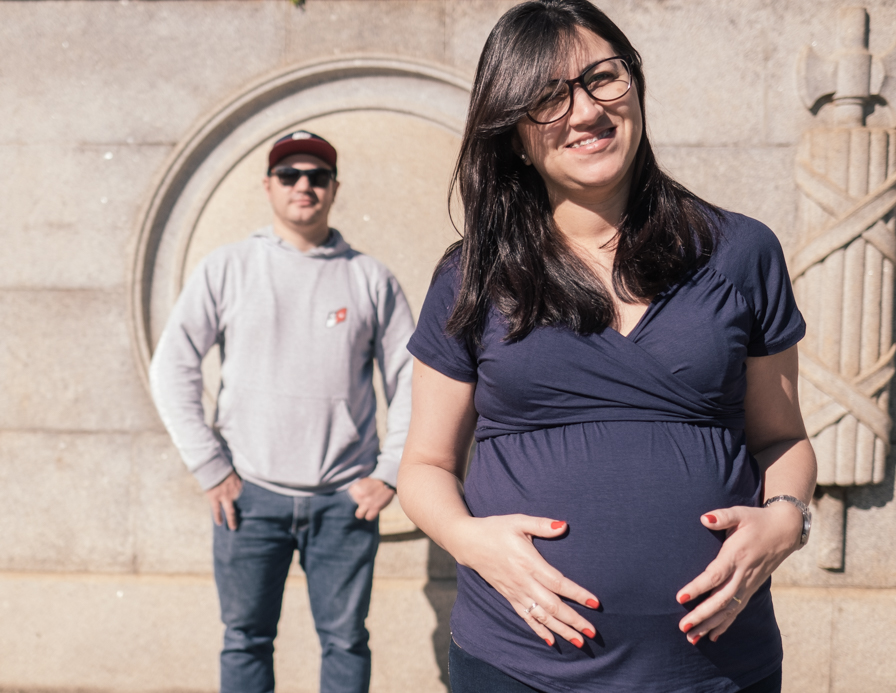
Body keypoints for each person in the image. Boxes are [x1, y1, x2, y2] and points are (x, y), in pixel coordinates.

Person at [397, 2, 816, 692]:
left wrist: (786, 521)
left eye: (604, 79)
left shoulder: (742, 252)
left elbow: (782, 440)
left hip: (713, 669)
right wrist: (473, 543)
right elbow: (424, 464)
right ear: (511, 133)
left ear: (636, 85)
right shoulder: (471, 272)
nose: (586, 111)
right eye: (547, 97)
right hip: (518, 663)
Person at [149, 131, 414, 693]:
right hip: (250, 498)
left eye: (317, 176)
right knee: (245, 639)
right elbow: (172, 366)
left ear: (334, 189)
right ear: (268, 186)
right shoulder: (228, 268)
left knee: (345, 642)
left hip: (343, 503)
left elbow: (414, 379)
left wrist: (390, 472)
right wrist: (210, 466)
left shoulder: (370, 278)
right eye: (290, 175)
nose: (303, 186)